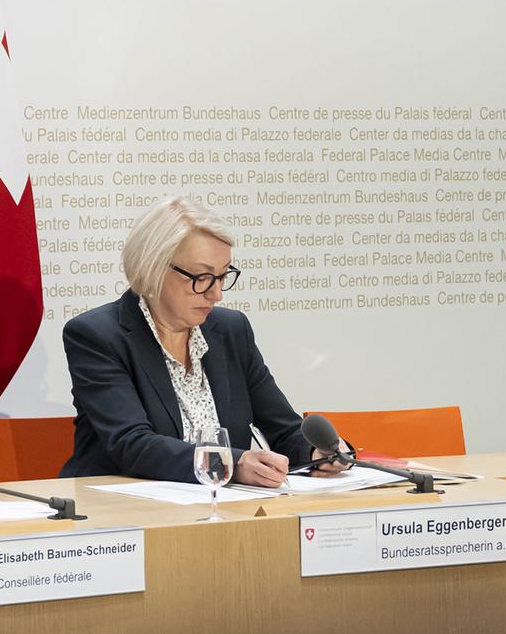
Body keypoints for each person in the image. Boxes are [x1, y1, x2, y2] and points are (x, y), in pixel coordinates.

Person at [60, 197, 342, 486]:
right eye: (203, 277)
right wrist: (232, 463)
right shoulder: (97, 335)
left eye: (222, 276)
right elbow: (132, 445)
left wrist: (316, 452)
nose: (216, 294)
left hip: (219, 505)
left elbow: (283, 429)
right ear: (154, 267)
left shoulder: (231, 330)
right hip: (118, 509)